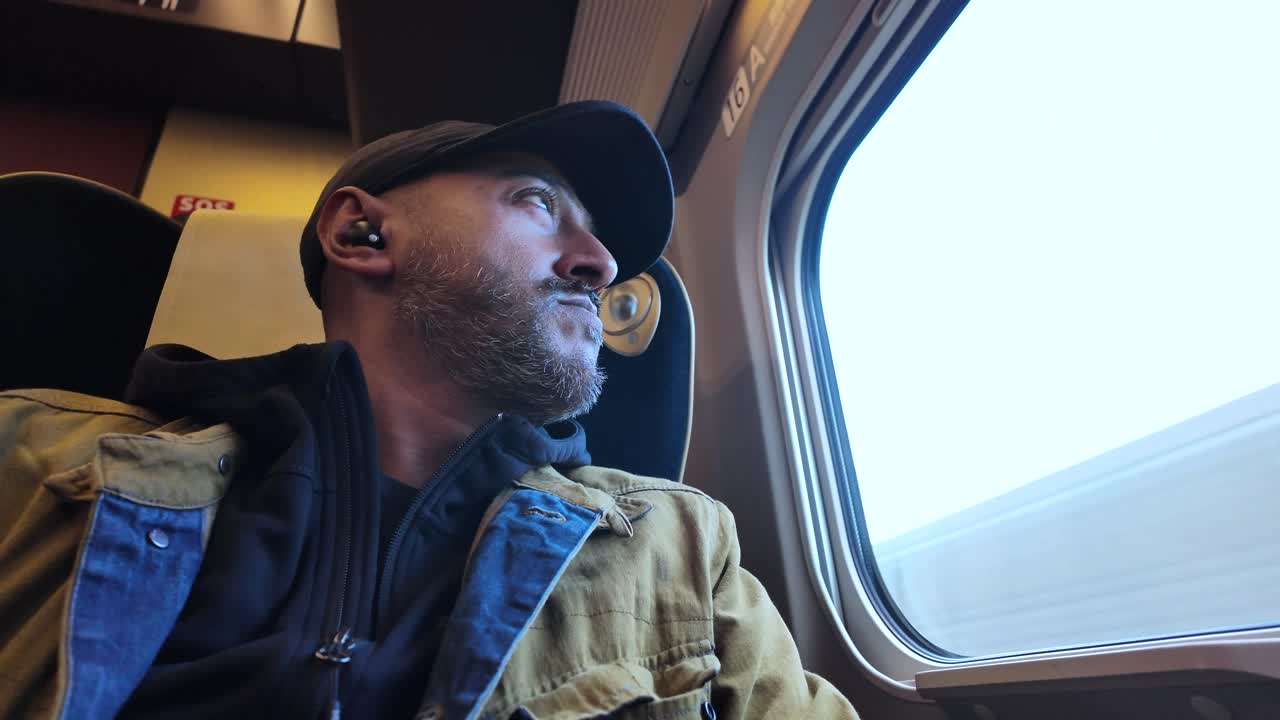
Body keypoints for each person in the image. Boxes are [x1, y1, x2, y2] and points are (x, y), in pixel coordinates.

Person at [0, 101, 859, 719]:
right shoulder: (34, 460)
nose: (600, 262)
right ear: (361, 235)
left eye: (598, 240)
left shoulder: (681, 548)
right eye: (538, 202)